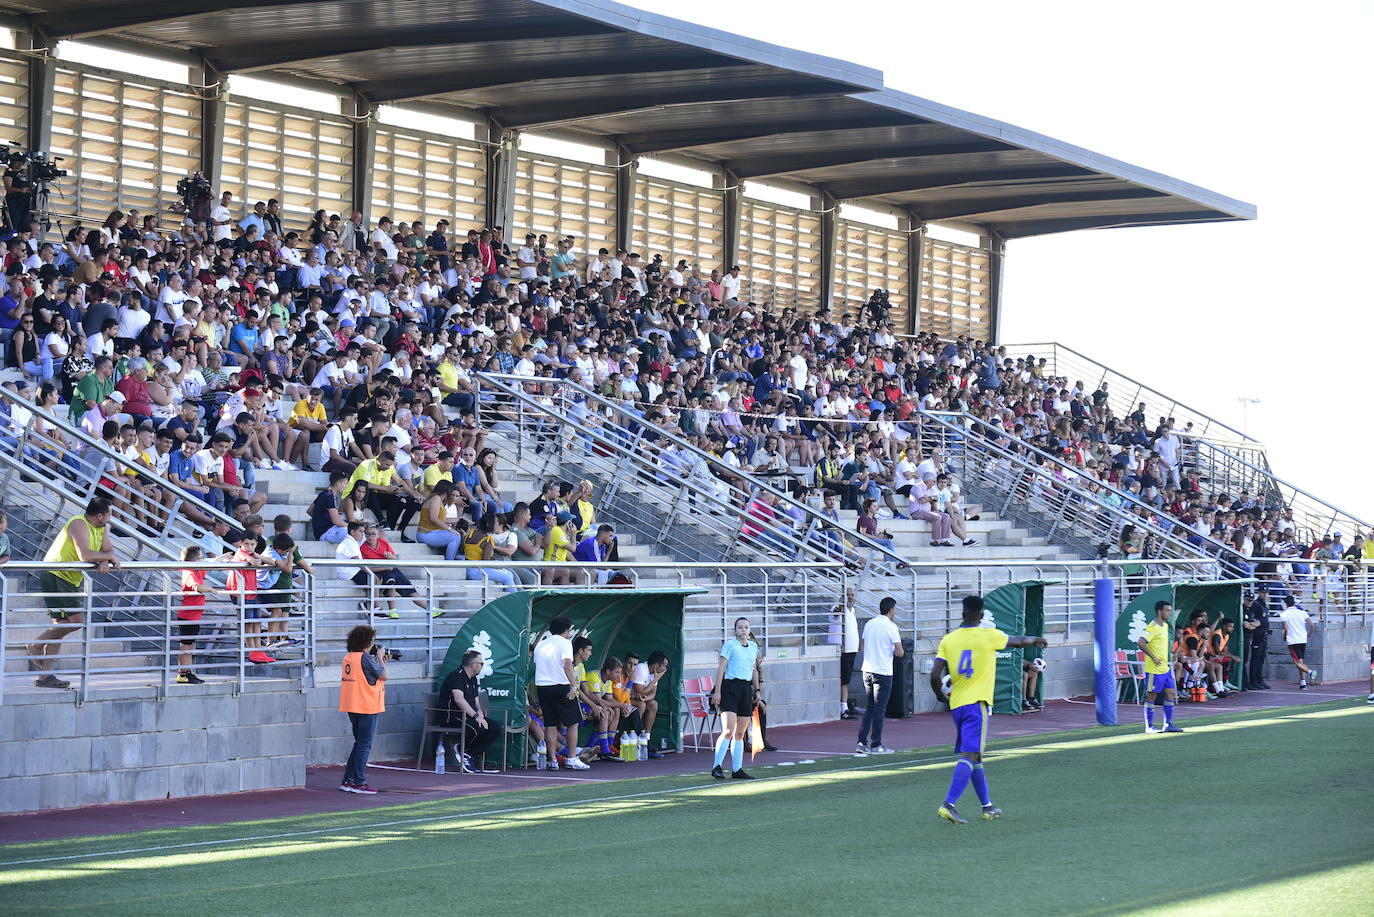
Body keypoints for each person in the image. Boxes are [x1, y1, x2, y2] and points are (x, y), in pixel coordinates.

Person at [930, 594, 1049, 824]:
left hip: (957, 706)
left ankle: (987, 806)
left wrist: (939, 695)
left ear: (962, 614)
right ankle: (949, 804)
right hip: (977, 705)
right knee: (969, 754)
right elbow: (1018, 641)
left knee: (976, 756)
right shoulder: (988, 635)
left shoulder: (949, 639)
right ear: (982, 616)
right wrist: (1035, 638)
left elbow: (935, 675)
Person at [28, 497, 120, 688]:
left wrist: (105, 559)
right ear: (100, 515)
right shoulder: (78, 523)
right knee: (76, 622)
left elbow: (108, 549)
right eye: (109, 514)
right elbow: (85, 555)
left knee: (60, 626)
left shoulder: (102, 528)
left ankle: (44, 676)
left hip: (71, 578)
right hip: (57, 574)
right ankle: (35, 644)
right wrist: (107, 557)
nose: (112, 517)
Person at [531, 616, 590, 770]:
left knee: (550, 724)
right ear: (566, 630)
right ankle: (571, 758)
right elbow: (567, 665)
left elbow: (538, 665)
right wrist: (574, 686)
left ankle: (552, 761)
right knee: (573, 722)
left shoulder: (541, 644)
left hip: (543, 687)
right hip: (561, 686)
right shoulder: (565, 643)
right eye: (569, 630)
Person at [339, 624, 387, 794]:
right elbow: (383, 676)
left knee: (359, 744)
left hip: (352, 705)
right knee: (364, 745)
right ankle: (359, 781)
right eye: (372, 642)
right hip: (367, 706)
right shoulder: (364, 658)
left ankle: (348, 779)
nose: (373, 645)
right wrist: (380, 658)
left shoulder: (349, 657)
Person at [710, 616, 759, 780]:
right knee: (728, 730)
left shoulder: (753, 647)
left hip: (745, 688)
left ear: (749, 630)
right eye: (740, 627)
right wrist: (717, 691)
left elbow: (754, 670)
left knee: (740, 733)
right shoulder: (730, 645)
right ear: (735, 630)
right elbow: (721, 668)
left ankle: (737, 769)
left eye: (746, 627)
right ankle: (717, 766)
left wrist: (757, 690)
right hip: (730, 687)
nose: (743, 630)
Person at [438, 649, 501, 774]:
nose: (482, 666)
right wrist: (476, 716)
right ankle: (464, 751)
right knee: (478, 727)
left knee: (494, 727)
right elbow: (459, 699)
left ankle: (467, 753)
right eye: (481, 664)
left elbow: (476, 700)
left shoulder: (473, 678)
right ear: (474, 665)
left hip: (469, 716)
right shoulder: (456, 676)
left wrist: (480, 714)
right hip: (453, 716)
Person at [855, 596, 903, 755]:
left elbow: (862, 646)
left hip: (867, 670)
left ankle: (862, 742)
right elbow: (900, 651)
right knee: (879, 709)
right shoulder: (891, 627)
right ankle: (876, 743)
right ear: (890, 610)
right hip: (883, 671)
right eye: (894, 609)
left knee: (870, 708)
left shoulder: (869, 624)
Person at [1137, 599, 1186, 736]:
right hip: (1154, 669)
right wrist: (1153, 657)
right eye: (1167, 610)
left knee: (1170, 694)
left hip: (1165, 668)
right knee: (1151, 696)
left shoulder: (1164, 626)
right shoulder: (1152, 627)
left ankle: (1168, 724)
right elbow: (1141, 642)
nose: (1169, 613)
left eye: (1170, 610)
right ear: (1159, 611)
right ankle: (1149, 726)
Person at [175, 544, 216, 684]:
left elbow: (210, 565)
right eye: (200, 558)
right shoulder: (190, 573)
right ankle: (183, 673)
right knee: (186, 646)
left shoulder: (196, 570)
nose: (202, 560)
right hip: (187, 616)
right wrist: (210, 589)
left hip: (193, 616)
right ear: (194, 560)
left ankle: (188, 672)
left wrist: (223, 558)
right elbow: (197, 587)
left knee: (190, 646)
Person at [828, 587, 859, 719]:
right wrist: (841, 603)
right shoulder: (838, 607)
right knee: (843, 680)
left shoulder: (853, 611)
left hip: (852, 650)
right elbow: (836, 613)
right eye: (848, 595)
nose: (850, 597)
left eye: (852, 595)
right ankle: (843, 708)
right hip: (842, 650)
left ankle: (844, 706)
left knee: (847, 679)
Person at [1278, 595, 1319, 689]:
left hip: (1292, 640)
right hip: (1302, 639)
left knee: (1297, 663)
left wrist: (1285, 637)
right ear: (1294, 603)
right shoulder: (1302, 612)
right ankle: (1303, 683)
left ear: (1286, 604)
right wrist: (1310, 634)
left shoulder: (1284, 614)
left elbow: (1285, 628)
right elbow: (1312, 625)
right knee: (1300, 661)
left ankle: (1311, 672)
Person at [1242, 587, 1272, 690]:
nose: (1265, 594)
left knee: (1260, 659)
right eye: (1263, 592)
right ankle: (1253, 680)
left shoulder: (1263, 604)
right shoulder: (1256, 604)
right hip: (1256, 635)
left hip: (1262, 634)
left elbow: (1261, 621)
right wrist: (1254, 624)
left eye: (1266, 592)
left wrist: (1254, 624)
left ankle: (1258, 679)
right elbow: (1250, 623)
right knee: (1255, 659)